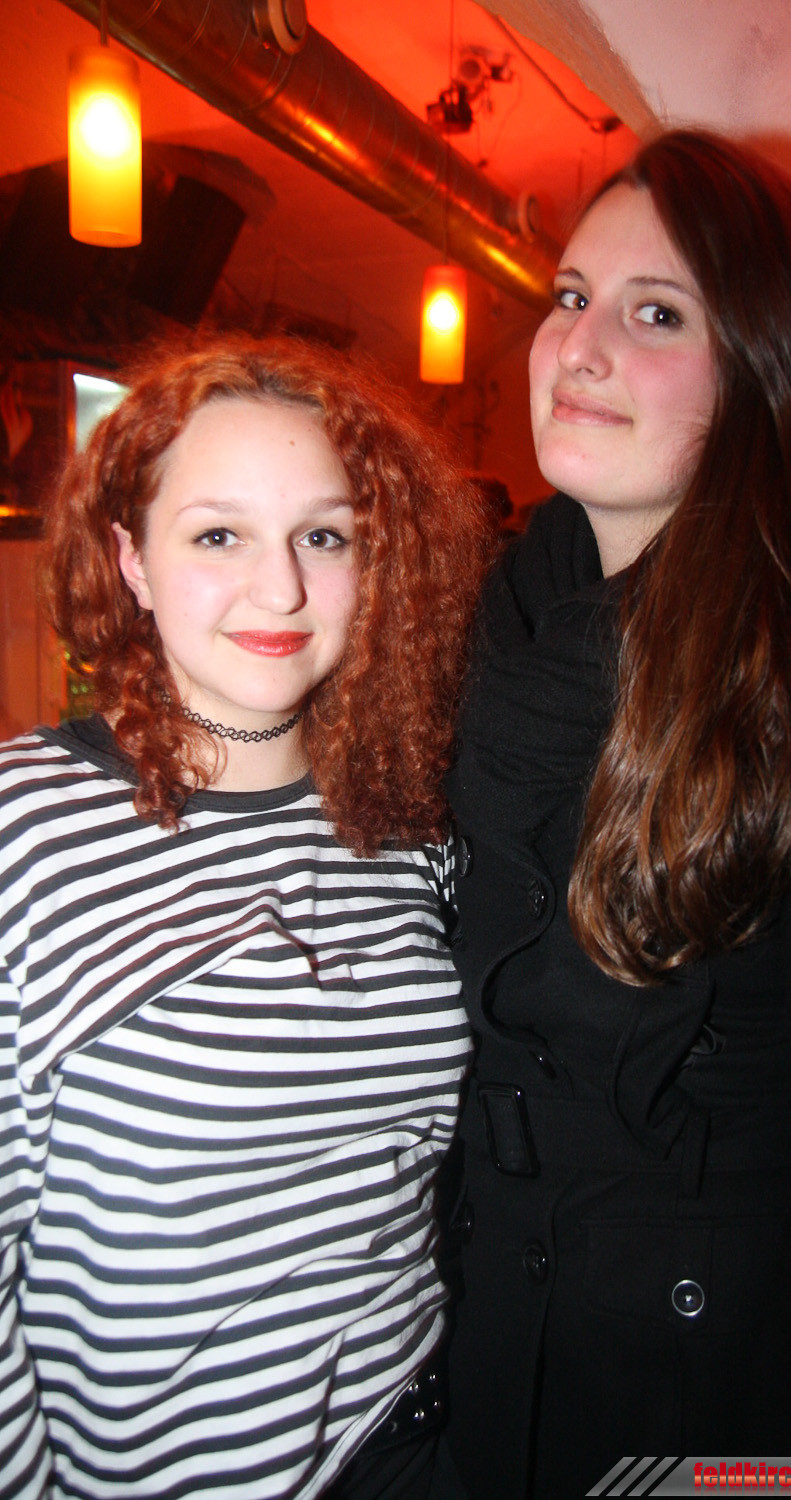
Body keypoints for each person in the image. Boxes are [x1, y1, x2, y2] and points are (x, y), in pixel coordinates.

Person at [439, 130, 791, 1496]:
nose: (576, 348)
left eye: (655, 315)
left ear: (767, 370)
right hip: (481, 1361)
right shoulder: (493, 627)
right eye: (570, 296)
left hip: (703, 1402)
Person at [0, 334, 488, 1500]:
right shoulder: (24, 834)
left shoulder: (411, 825)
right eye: (218, 535)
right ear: (132, 559)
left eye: (323, 537)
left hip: (424, 1439)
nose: (280, 591)